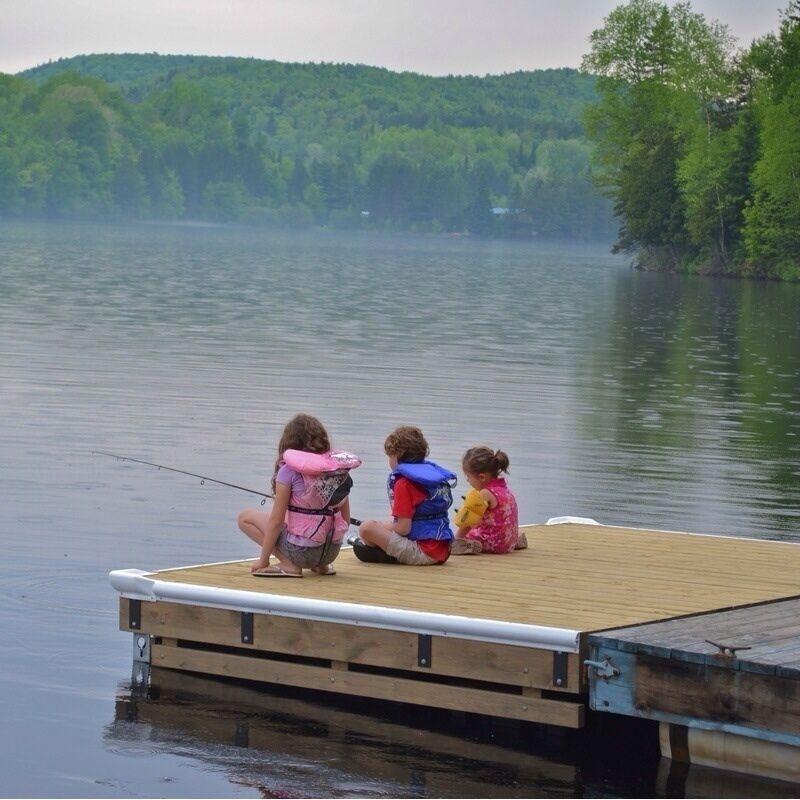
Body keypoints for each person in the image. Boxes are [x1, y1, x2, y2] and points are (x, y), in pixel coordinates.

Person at [237, 413, 359, 577]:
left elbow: (275, 522)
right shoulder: (338, 472)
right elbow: (345, 518)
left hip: (301, 553)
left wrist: (263, 561)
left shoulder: (288, 472)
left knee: (245, 517)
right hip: (330, 553)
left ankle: (288, 564)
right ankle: (321, 566)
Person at [354, 426, 456, 566]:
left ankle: (389, 554)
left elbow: (403, 528)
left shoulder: (404, 484)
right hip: (443, 550)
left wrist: (383, 526)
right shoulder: (434, 479)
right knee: (379, 527)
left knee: (366, 528)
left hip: (423, 552)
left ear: (396, 455)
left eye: (390, 456)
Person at [451, 446, 526, 555]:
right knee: (480, 526)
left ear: (482, 477)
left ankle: (468, 546)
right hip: (509, 541)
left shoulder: (485, 494)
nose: (468, 480)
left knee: (468, 534)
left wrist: (456, 539)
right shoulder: (504, 489)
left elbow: (467, 521)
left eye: (468, 477)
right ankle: (517, 541)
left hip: (494, 543)